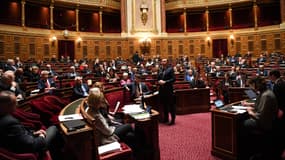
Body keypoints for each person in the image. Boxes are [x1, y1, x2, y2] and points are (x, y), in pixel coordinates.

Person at [0, 91, 62, 159]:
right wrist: (41, 136)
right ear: (7, 106)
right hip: (31, 150)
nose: (17, 105)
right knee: (53, 128)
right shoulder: (9, 122)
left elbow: (19, 135)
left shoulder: (5, 117)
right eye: (14, 103)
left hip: (25, 141)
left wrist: (33, 133)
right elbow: (31, 145)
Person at [157, 58, 176, 125]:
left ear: (167, 62)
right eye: (162, 61)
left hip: (168, 90)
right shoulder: (160, 69)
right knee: (164, 105)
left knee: (171, 105)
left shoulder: (170, 69)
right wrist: (159, 81)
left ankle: (173, 119)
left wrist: (165, 82)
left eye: (164, 61)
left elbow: (173, 79)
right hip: (162, 90)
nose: (163, 62)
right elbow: (158, 78)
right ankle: (166, 118)